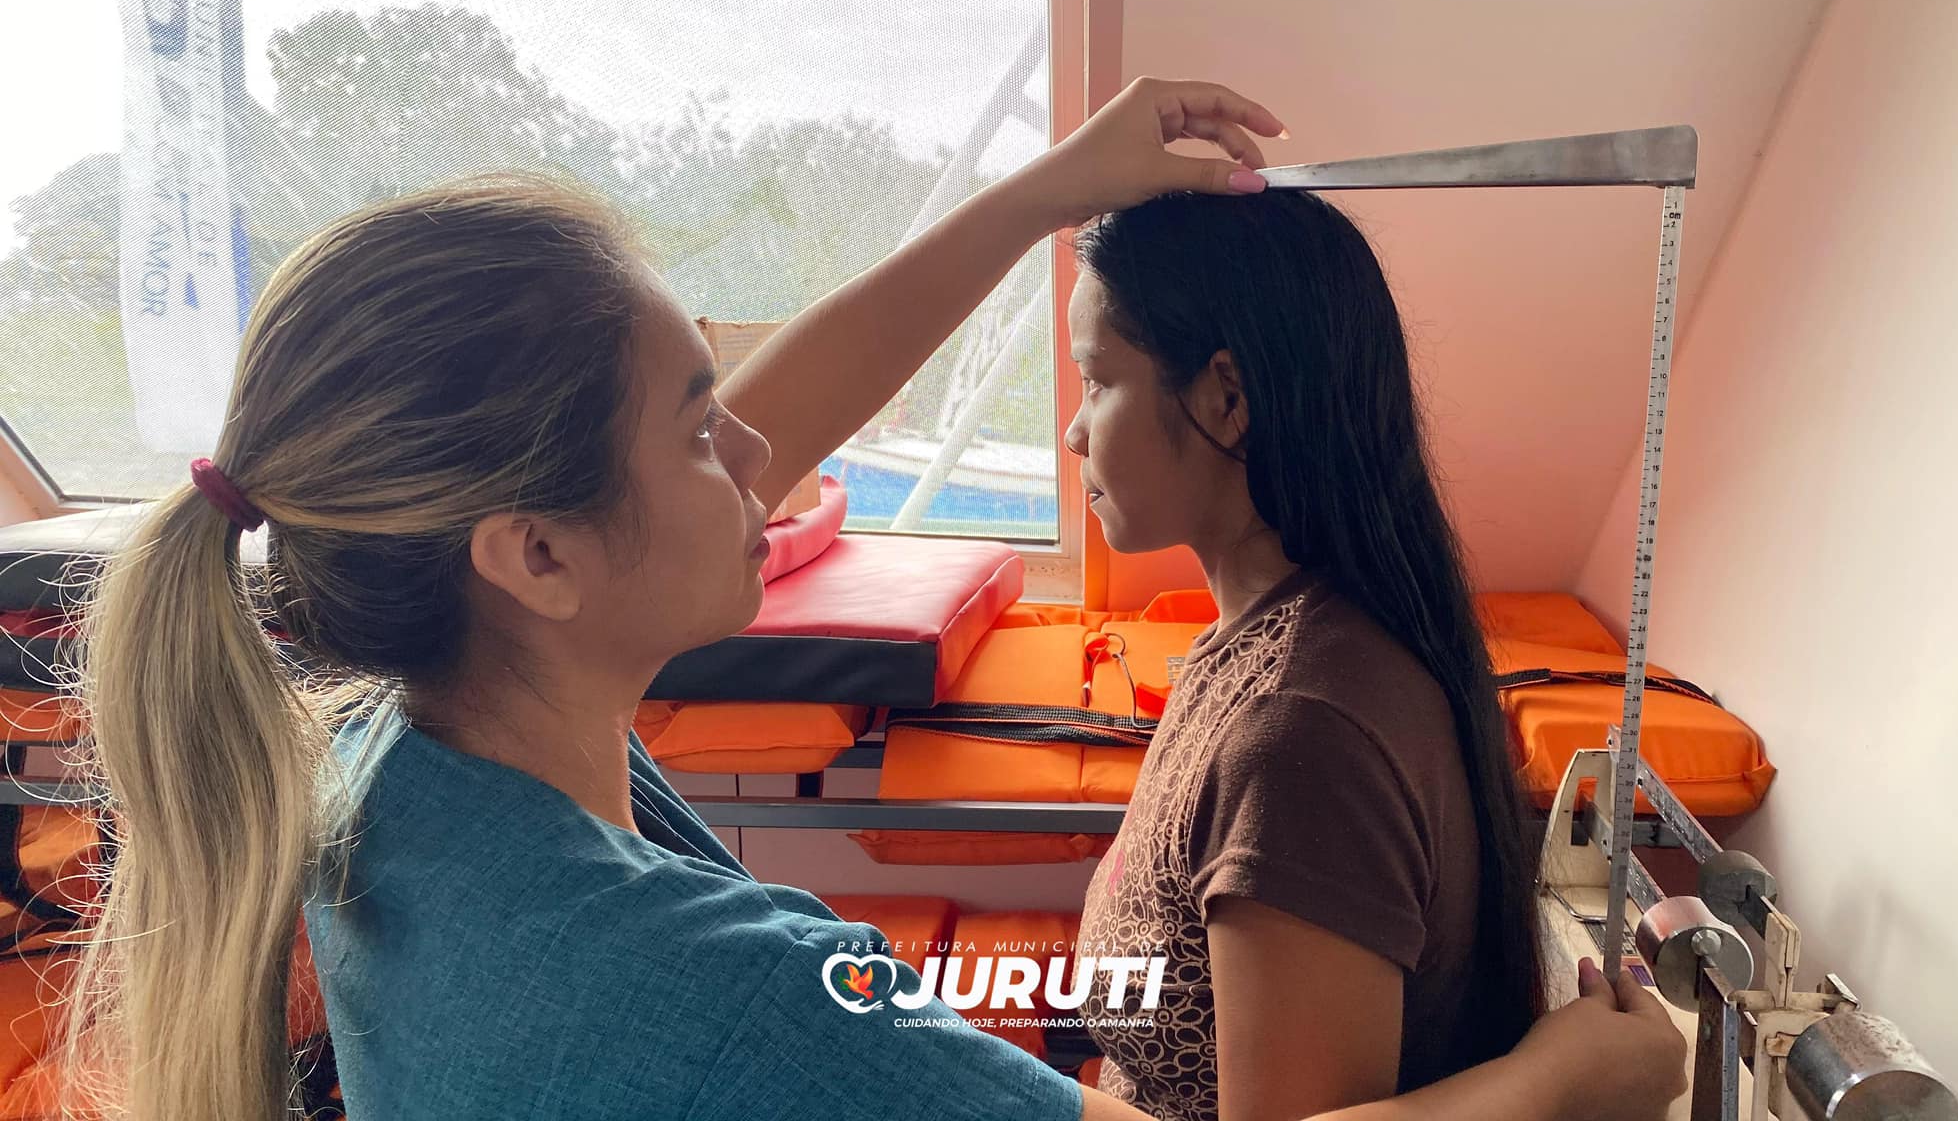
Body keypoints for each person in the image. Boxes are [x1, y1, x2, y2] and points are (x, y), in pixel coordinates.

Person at [62, 79, 1683, 1120]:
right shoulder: (712, 988)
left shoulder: (409, 763)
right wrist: (1560, 1083)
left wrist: (1043, 192)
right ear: (534, 556)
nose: (757, 455)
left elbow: (740, 439)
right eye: (698, 426)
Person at [1065, 189, 1647, 1121]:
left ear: (1227, 399)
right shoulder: (1256, 642)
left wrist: (1564, 1081)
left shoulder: (1300, 733)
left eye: (1097, 381)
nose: (1074, 430)